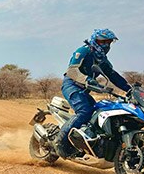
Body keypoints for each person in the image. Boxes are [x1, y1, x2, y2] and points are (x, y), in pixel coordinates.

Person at [53, 29, 132, 158]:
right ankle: (61, 142)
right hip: (72, 85)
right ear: (95, 40)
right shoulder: (84, 51)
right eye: (103, 41)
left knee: (96, 114)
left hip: (84, 89)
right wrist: (87, 80)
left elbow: (113, 75)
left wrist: (129, 88)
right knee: (84, 111)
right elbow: (72, 71)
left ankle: (84, 143)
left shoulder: (102, 59)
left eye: (109, 42)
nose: (106, 45)